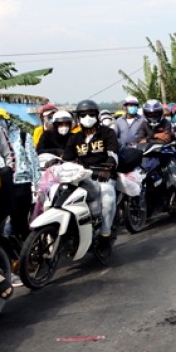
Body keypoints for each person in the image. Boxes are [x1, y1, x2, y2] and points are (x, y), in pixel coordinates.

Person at [62, 100, 120, 261]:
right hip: (83, 178)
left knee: (107, 202)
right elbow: (67, 159)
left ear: (97, 115)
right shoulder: (75, 138)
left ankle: (105, 236)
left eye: (91, 114)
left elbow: (113, 153)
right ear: (78, 117)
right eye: (83, 115)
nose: (87, 117)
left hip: (103, 177)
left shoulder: (107, 133)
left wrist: (108, 167)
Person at [137, 100, 176, 225]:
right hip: (149, 156)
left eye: (156, 114)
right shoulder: (143, 125)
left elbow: (166, 139)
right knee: (140, 178)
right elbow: (140, 141)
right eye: (150, 114)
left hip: (166, 155)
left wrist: (150, 139)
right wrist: (156, 136)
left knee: (175, 181)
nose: (153, 116)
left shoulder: (166, 123)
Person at [0, 108, 40, 240]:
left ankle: (27, 253)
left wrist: (37, 187)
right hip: (2, 183)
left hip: (22, 183)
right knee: (2, 223)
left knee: (19, 221)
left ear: (7, 120)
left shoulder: (23, 136)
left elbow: (34, 162)